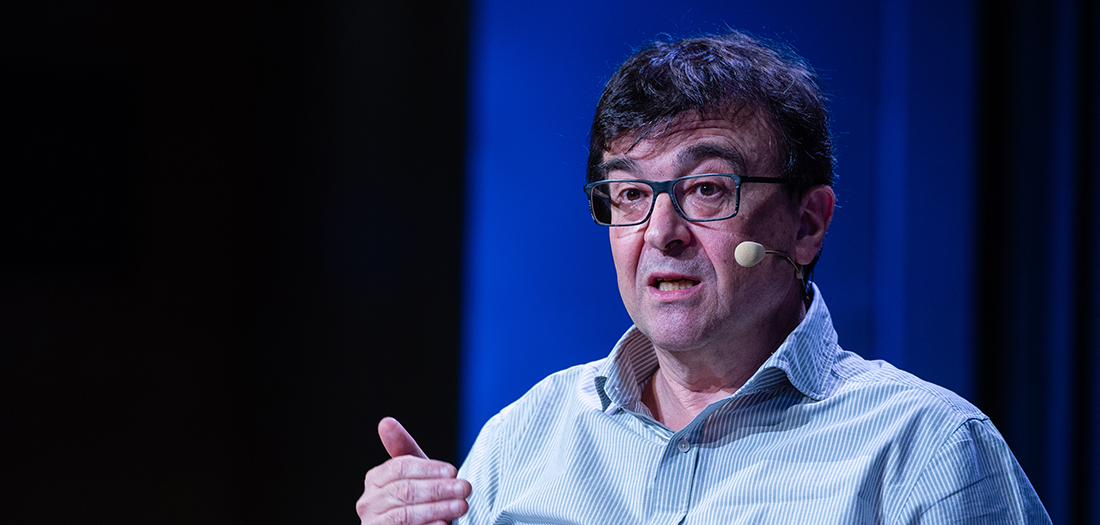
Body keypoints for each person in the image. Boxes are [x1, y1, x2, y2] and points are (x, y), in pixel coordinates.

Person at [356, 31, 1050, 524]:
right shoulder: (524, 440)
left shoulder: (926, 452)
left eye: (708, 189)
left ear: (808, 223)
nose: (661, 231)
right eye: (630, 194)